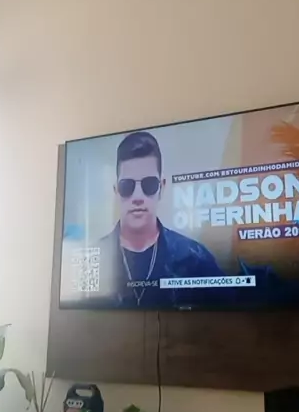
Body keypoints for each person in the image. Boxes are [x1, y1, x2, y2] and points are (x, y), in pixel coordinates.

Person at [96, 130, 223, 307]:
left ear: (161, 187)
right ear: (116, 191)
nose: (138, 197)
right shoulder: (93, 258)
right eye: (127, 186)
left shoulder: (196, 260)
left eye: (149, 184)